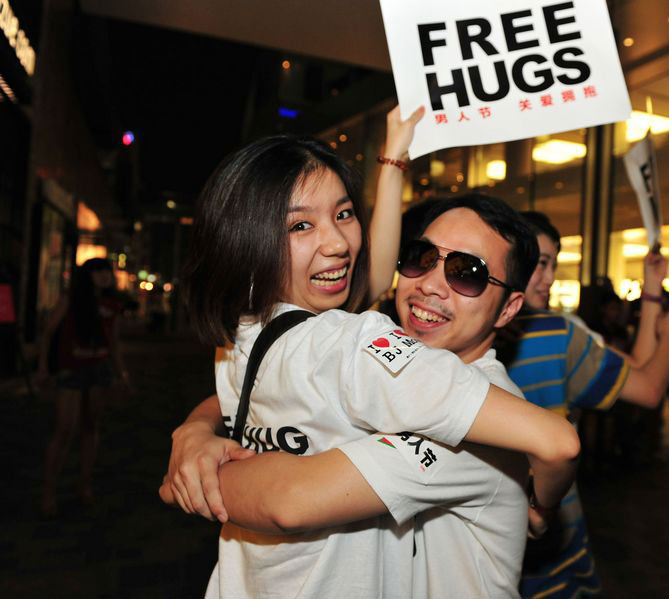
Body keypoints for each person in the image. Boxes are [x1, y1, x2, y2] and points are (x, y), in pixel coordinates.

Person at [160, 124, 579, 598]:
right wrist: (195, 431)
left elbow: (287, 501)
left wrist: (190, 473)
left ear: (508, 308)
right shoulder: (316, 340)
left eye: (467, 273)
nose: (431, 284)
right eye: (421, 257)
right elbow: (246, 388)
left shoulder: (475, 419)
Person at [499, 210, 669, 599]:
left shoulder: (473, 334)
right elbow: (649, 387)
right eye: (539, 263)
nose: (549, 277)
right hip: (552, 554)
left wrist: (651, 290)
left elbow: (634, 368)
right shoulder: (557, 334)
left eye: (553, 264)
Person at [37, 257, 129, 516]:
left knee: (91, 427)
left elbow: (114, 342)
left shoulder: (113, 303)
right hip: (72, 368)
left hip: (99, 369)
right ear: (87, 276)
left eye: (106, 271)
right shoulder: (72, 298)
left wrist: (122, 373)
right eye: (97, 272)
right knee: (64, 430)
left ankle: (84, 486)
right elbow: (48, 331)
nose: (103, 276)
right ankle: (49, 493)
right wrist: (43, 367)